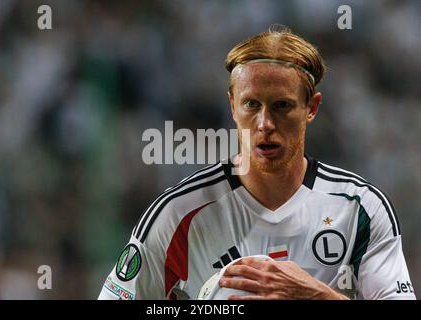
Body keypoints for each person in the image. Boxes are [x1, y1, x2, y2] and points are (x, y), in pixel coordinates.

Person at [98, 27, 415, 300]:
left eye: (281, 106)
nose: (265, 123)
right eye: (252, 104)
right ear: (233, 107)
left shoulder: (361, 210)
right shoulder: (178, 214)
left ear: (311, 108)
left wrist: (316, 295)